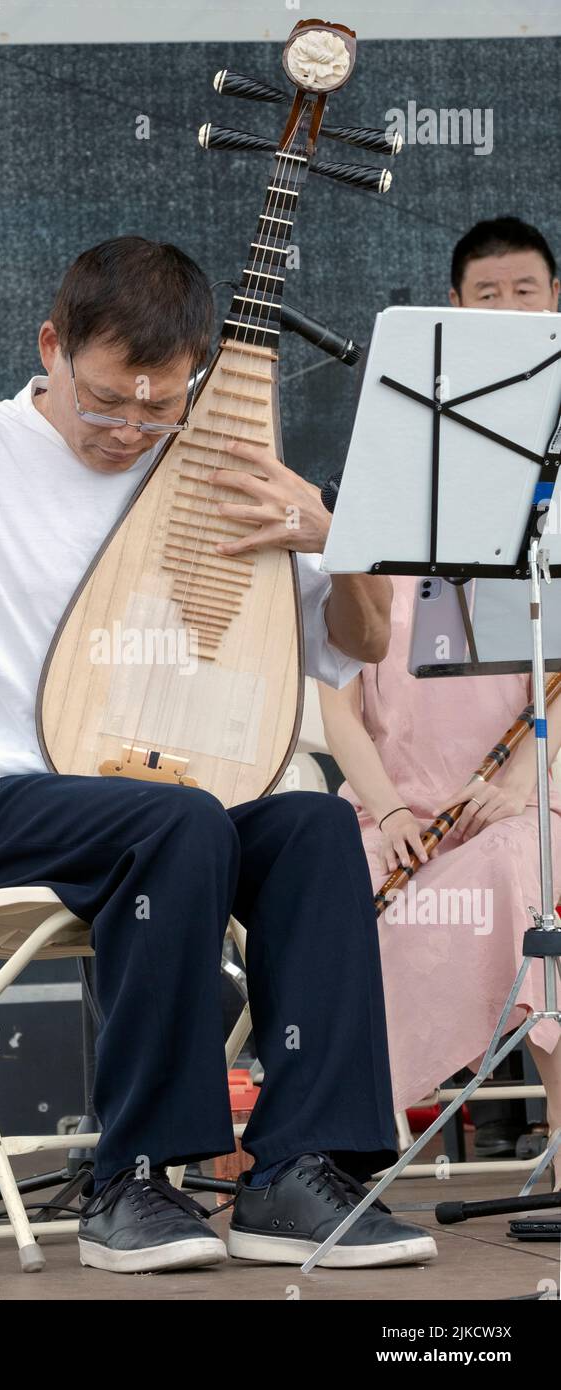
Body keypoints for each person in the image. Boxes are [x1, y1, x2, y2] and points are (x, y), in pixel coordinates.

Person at [0, 236, 436, 1274]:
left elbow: (363, 645)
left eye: (159, 410)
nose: (129, 432)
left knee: (310, 825)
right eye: (107, 403)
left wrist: (331, 535)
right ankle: (135, 1177)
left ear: (196, 379)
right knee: (178, 820)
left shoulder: (216, 475)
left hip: (167, 815)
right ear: (49, 348)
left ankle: (297, 1169)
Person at [319, 217, 561, 1185]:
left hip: (523, 787)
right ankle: (332, 1144)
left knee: (523, 854)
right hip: (396, 799)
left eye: (526, 291)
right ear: (451, 310)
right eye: (485, 294)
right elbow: (332, 688)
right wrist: (383, 804)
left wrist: (527, 782)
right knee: (330, 871)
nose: (505, 308)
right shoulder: (392, 465)